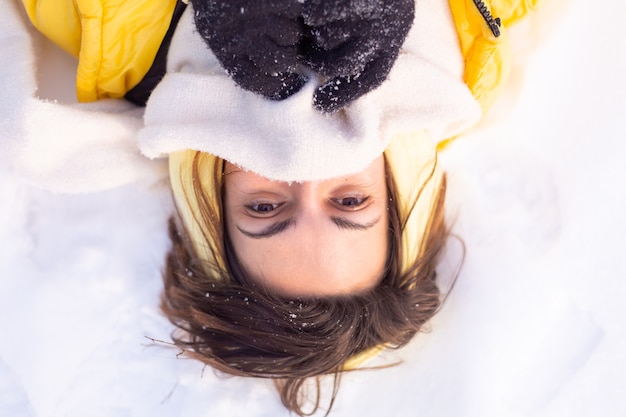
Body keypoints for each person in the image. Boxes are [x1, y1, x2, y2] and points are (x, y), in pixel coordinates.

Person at [13, 0, 541, 414]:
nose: (307, 169)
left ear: (213, 196)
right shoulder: (484, 22)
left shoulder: (93, 24)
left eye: (264, 207)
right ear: (401, 185)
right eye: (350, 200)